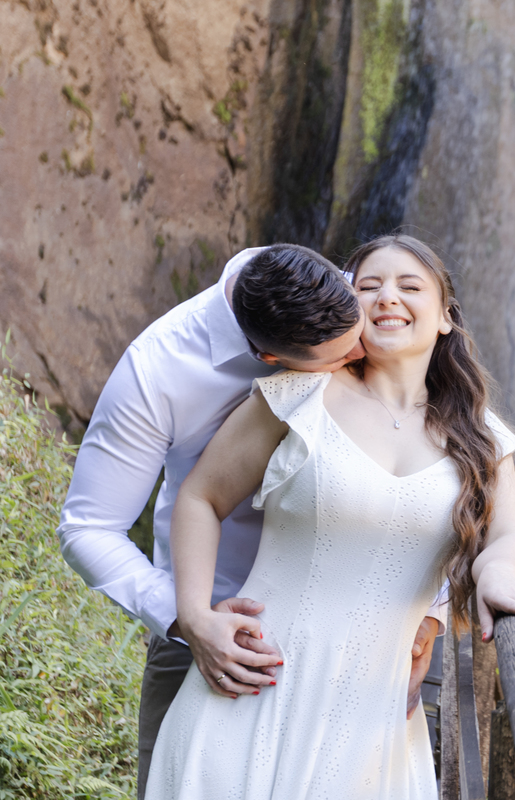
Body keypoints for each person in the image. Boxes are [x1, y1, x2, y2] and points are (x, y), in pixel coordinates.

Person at [144, 234, 515, 799]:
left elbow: (508, 537)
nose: (388, 297)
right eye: (367, 287)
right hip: (252, 688)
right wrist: (194, 614)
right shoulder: (297, 395)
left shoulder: (479, 438)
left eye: (410, 286)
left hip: (373, 725)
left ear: (445, 319)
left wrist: (497, 574)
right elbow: (199, 498)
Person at [57, 245, 447, 799]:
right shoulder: (157, 371)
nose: (366, 351)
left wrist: (430, 607)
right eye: (341, 358)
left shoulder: (350, 295)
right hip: (212, 638)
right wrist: (187, 618)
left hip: (353, 646)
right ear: (272, 361)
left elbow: (432, 452)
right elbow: (87, 528)